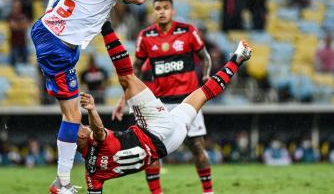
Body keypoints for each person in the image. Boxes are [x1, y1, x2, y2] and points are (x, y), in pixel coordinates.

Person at [31, 0, 175, 193]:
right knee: (73, 117)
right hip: (59, 47)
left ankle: (55, 3)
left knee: (70, 112)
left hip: (46, 32)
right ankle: (61, 184)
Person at [76, 21, 251, 193]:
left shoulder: (91, 175)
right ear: (82, 136)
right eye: (81, 128)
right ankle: (106, 27)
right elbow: (98, 130)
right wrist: (91, 109)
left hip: (168, 144)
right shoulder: (99, 142)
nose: (83, 127)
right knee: (127, 78)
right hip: (154, 128)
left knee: (202, 95)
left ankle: (238, 59)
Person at [112, 0, 213, 194]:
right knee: (151, 151)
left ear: (172, 11)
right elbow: (134, 71)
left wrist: (207, 74)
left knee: (198, 148)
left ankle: (208, 192)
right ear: (153, 12)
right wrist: (123, 99)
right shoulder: (146, 36)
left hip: (188, 102)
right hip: (160, 104)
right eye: (158, 8)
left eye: (166, 8)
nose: (162, 11)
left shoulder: (188, 31)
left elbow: (205, 57)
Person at [8, 0, 30, 66]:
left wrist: (18, 25)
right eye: (15, 6)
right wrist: (21, 25)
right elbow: (13, 27)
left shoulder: (23, 16)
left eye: (18, 6)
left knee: (25, 64)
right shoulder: (11, 16)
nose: (16, 7)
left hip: (23, 43)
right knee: (13, 63)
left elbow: (26, 26)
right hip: (14, 43)